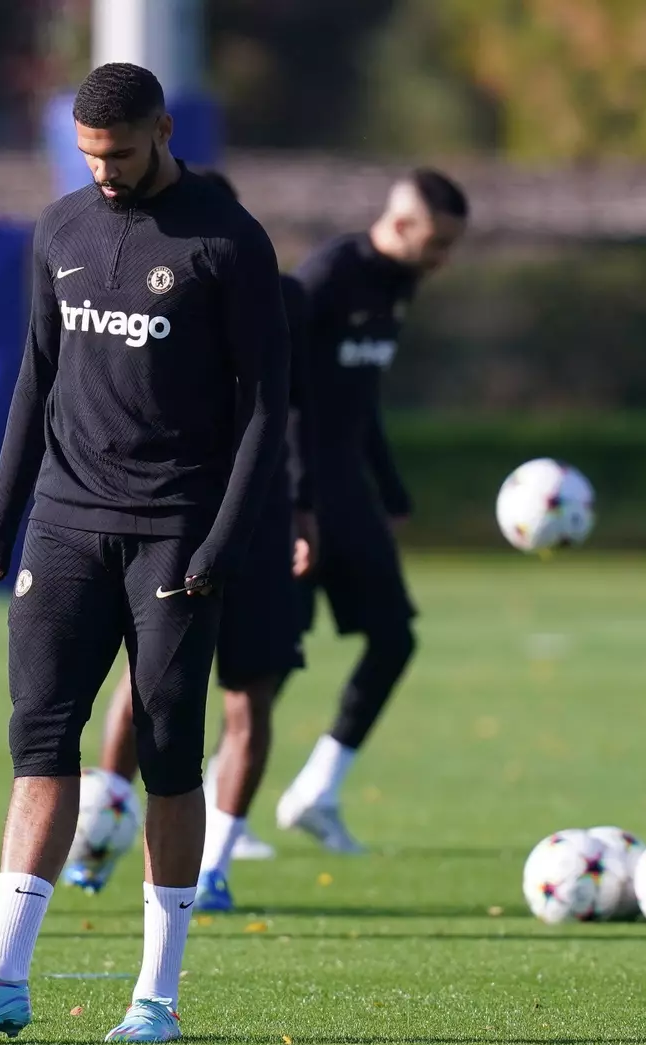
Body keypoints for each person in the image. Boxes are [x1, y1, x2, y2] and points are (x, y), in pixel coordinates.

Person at [0, 63, 289, 1044]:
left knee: (167, 755)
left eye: (119, 152)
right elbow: (35, 375)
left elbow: (266, 410)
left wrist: (222, 538)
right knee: (39, 738)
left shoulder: (228, 240)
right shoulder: (61, 227)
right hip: (64, 523)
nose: (103, 171)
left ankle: (156, 995)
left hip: (174, 531)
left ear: (161, 130)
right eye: (88, 154)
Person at [69, 169, 303, 912]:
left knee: (248, 698)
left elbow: (302, 420)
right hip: (169, 525)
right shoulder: (141, 288)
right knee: (142, 693)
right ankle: (97, 835)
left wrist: (307, 512)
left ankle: (218, 864)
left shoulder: (274, 298)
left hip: (260, 530)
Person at [273, 169, 469, 852]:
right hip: (298, 493)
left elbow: (362, 396)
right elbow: (283, 390)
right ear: (405, 223)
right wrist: (296, 495)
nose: (444, 258)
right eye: (439, 242)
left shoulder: (400, 284)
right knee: (267, 661)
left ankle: (317, 790)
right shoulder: (327, 276)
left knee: (394, 637)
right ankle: (218, 817)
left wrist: (390, 489)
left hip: (350, 492)